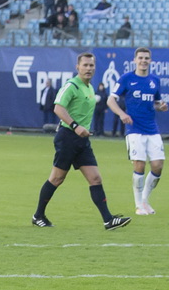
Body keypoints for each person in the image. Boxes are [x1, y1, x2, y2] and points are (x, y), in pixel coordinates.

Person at [31, 52, 131, 231]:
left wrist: (82, 129)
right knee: (57, 178)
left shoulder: (90, 87)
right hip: (68, 137)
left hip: (82, 140)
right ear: (77, 67)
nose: (89, 68)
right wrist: (75, 125)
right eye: (85, 65)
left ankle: (108, 220)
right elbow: (58, 108)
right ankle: (38, 215)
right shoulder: (72, 86)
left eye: (91, 65)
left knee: (95, 178)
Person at [107, 47, 169, 215]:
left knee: (158, 165)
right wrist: (122, 114)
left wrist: (161, 106)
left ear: (150, 61)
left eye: (146, 58)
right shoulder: (126, 78)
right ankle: (138, 205)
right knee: (139, 165)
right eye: (140, 58)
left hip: (152, 129)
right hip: (134, 128)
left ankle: (145, 200)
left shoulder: (154, 80)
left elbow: (156, 102)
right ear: (135, 60)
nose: (143, 60)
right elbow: (110, 100)